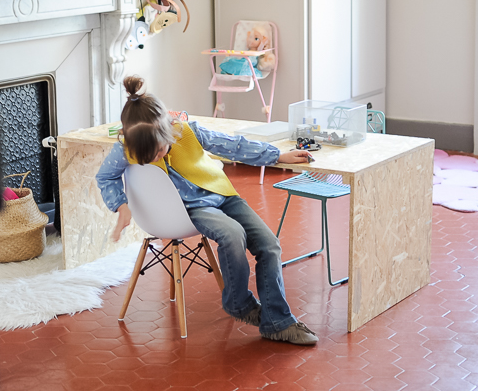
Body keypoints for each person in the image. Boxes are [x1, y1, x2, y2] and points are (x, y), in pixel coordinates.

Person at [95, 75, 318, 345]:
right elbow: (105, 177)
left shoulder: (186, 130)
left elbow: (231, 145)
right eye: (147, 156)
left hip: (222, 194)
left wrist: (276, 156)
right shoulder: (124, 149)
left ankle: (276, 323)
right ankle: (239, 304)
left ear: (168, 131)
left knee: (269, 244)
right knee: (232, 234)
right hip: (190, 209)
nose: (154, 157)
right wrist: (122, 207)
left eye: (159, 150)